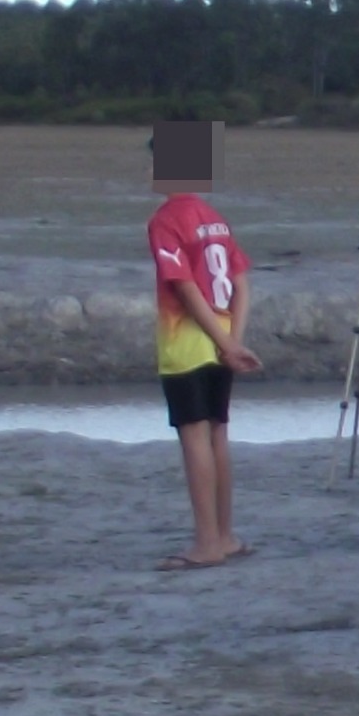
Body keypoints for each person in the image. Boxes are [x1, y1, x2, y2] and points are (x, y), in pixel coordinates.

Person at [148, 163, 259, 569]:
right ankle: (225, 535)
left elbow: (183, 285)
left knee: (194, 437)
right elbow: (242, 282)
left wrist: (223, 342)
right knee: (217, 435)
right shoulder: (216, 220)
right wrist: (233, 339)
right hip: (223, 333)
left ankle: (207, 543)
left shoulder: (166, 220)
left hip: (189, 341)